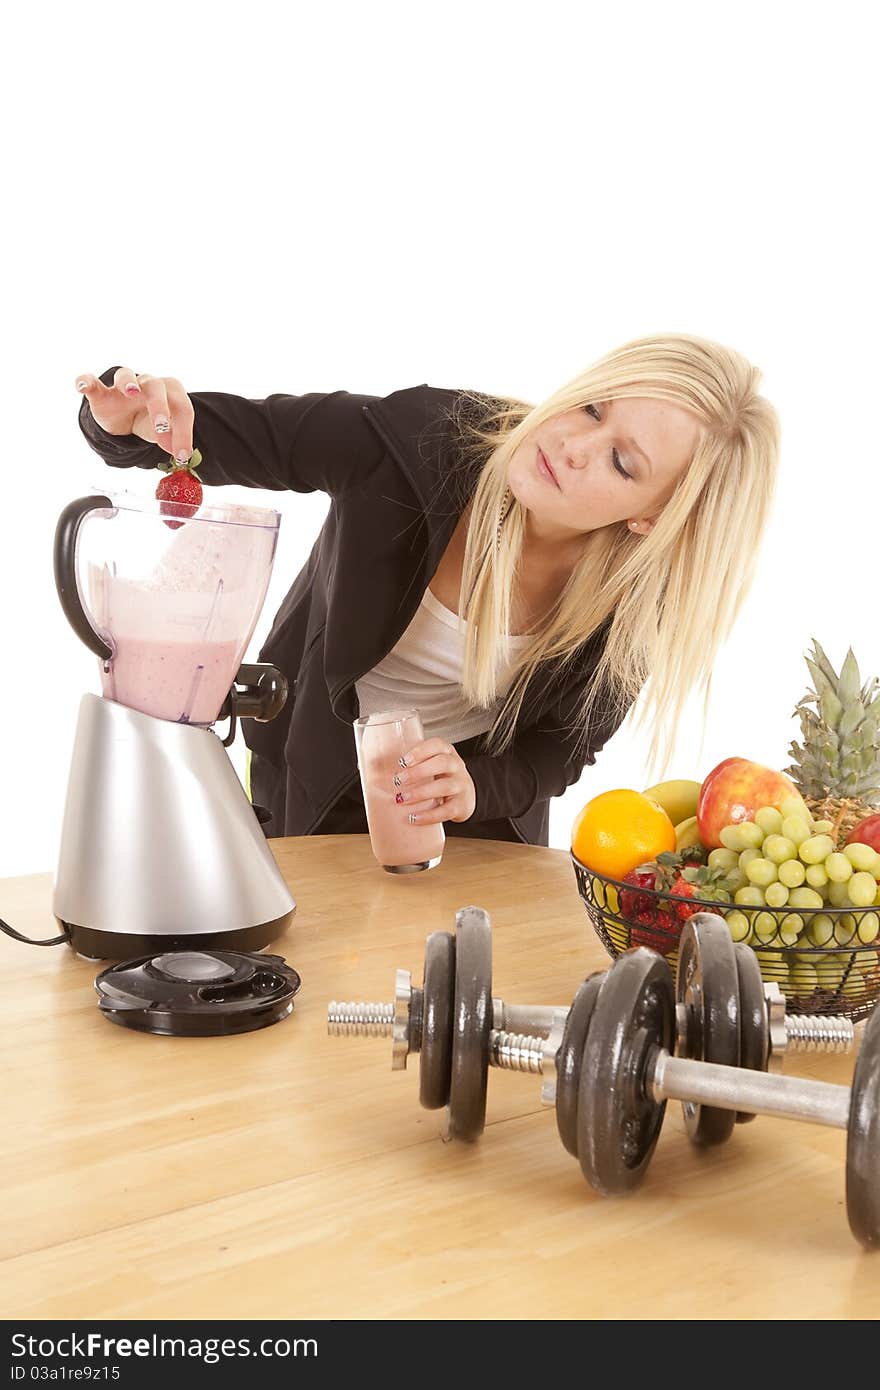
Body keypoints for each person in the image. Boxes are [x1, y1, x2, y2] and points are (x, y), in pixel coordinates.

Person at [74, 334, 780, 846]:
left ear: (650, 517)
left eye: (622, 462)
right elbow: (236, 435)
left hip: (470, 824)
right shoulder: (418, 443)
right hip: (315, 775)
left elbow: (557, 752)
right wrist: (130, 421)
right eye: (592, 409)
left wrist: (474, 787)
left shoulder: (635, 608)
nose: (572, 445)